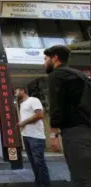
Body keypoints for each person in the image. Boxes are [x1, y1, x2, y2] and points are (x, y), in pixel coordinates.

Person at [44, 45, 91, 187]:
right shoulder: (81, 75)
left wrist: (53, 135)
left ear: (55, 58)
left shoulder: (56, 75)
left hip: (75, 134)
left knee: (80, 178)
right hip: (87, 128)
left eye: (46, 59)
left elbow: (56, 107)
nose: (44, 63)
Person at [15, 88, 51, 187]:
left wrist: (23, 123)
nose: (15, 93)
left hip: (36, 137)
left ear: (22, 91)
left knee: (39, 163)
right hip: (26, 136)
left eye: (16, 91)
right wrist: (23, 127)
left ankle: (45, 184)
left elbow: (39, 115)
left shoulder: (33, 100)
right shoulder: (21, 104)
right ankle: (38, 183)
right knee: (33, 163)